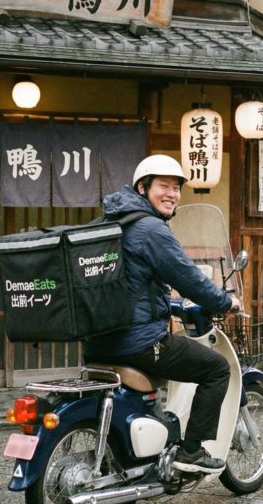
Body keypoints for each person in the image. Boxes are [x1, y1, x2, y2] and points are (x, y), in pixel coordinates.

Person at [83, 154, 241, 474]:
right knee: (216, 369)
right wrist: (225, 302)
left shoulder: (113, 222)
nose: (172, 193)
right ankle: (192, 450)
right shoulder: (150, 228)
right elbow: (188, 277)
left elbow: (131, 290)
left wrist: (169, 304)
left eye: (176, 188)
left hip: (99, 343)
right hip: (139, 344)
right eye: (163, 186)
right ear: (143, 188)